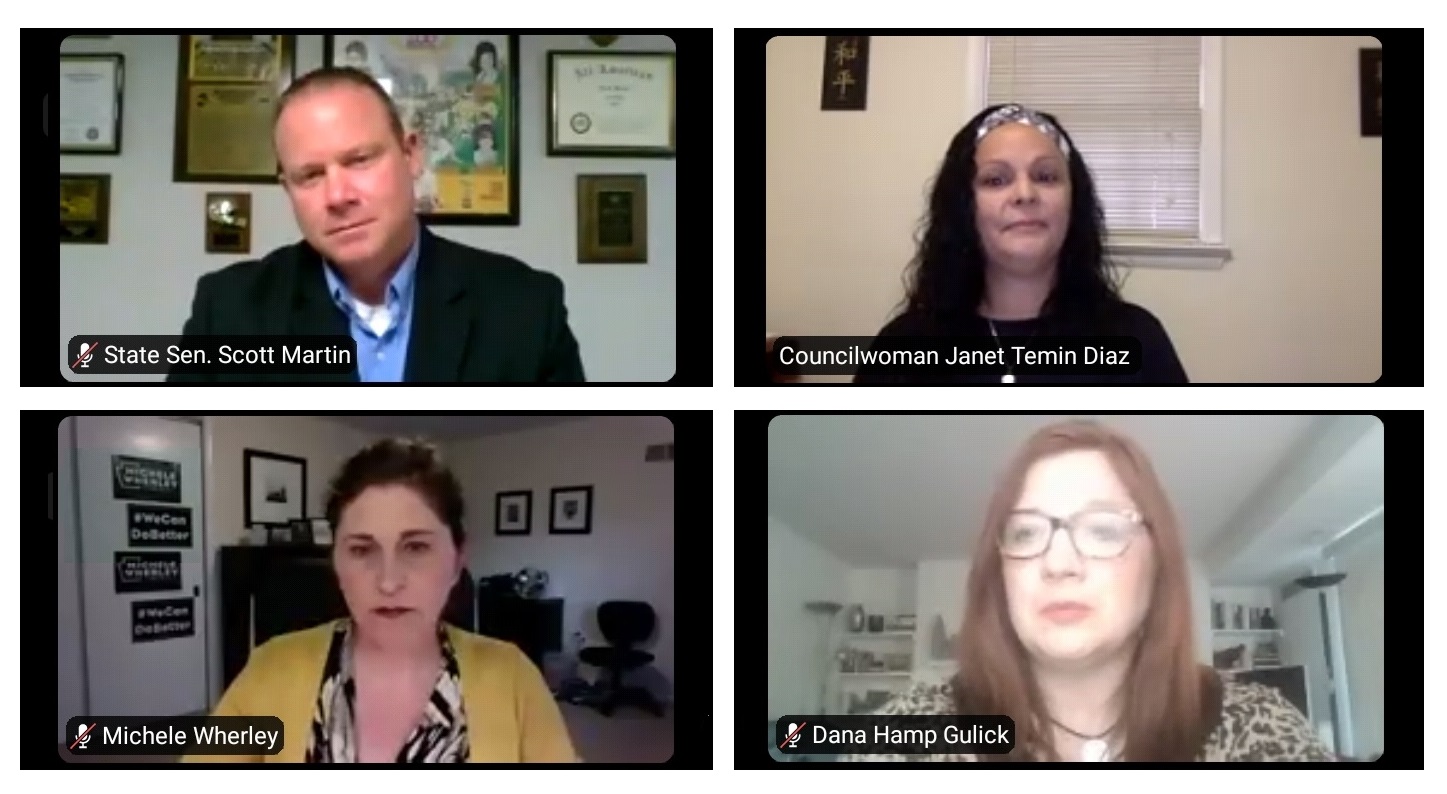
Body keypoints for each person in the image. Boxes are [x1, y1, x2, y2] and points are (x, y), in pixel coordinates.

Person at [845, 420, 1334, 762]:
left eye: (1102, 530)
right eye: (1026, 533)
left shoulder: (1257, 730)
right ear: (999, 575)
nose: (1058, 563)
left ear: (1156, 564)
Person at [168, 67, 585, 382]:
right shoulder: (227, 310)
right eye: (310, 175)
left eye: (360, 160)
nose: (337, 196)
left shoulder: (526, 307)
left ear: (412, 155)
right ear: (287, 188)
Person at [185, 438, 578, 763]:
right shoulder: (271, 668)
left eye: (416, 547)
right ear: (336, 564)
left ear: (457, 562)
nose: (388, 582)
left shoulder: (514, 678)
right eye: (361, 550)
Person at [854, 104, 1188, 384]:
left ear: (1074, 202)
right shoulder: (904, 345)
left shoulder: (1137, 338)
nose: (1025, 194)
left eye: (1045, 176)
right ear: (964, 206)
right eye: (996, 180)